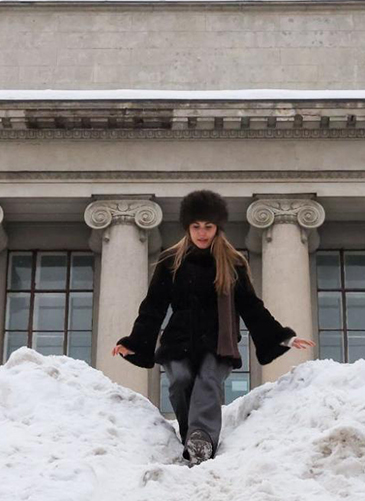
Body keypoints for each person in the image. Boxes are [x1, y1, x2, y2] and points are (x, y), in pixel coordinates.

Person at [113, 190, 314, 465]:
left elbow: (251, 307)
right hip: (179, 340)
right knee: (181, 381)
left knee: (207, 381)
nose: (202, 233)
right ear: (188, 227)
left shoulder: (232, 264)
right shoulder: (171, 262)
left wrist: (281, 337)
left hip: (218, 341)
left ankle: (203, 438)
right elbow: (153, 306)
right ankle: (193, 437)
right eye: (196, 226)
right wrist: (135, 342)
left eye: (208, 226)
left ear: (217, 228)